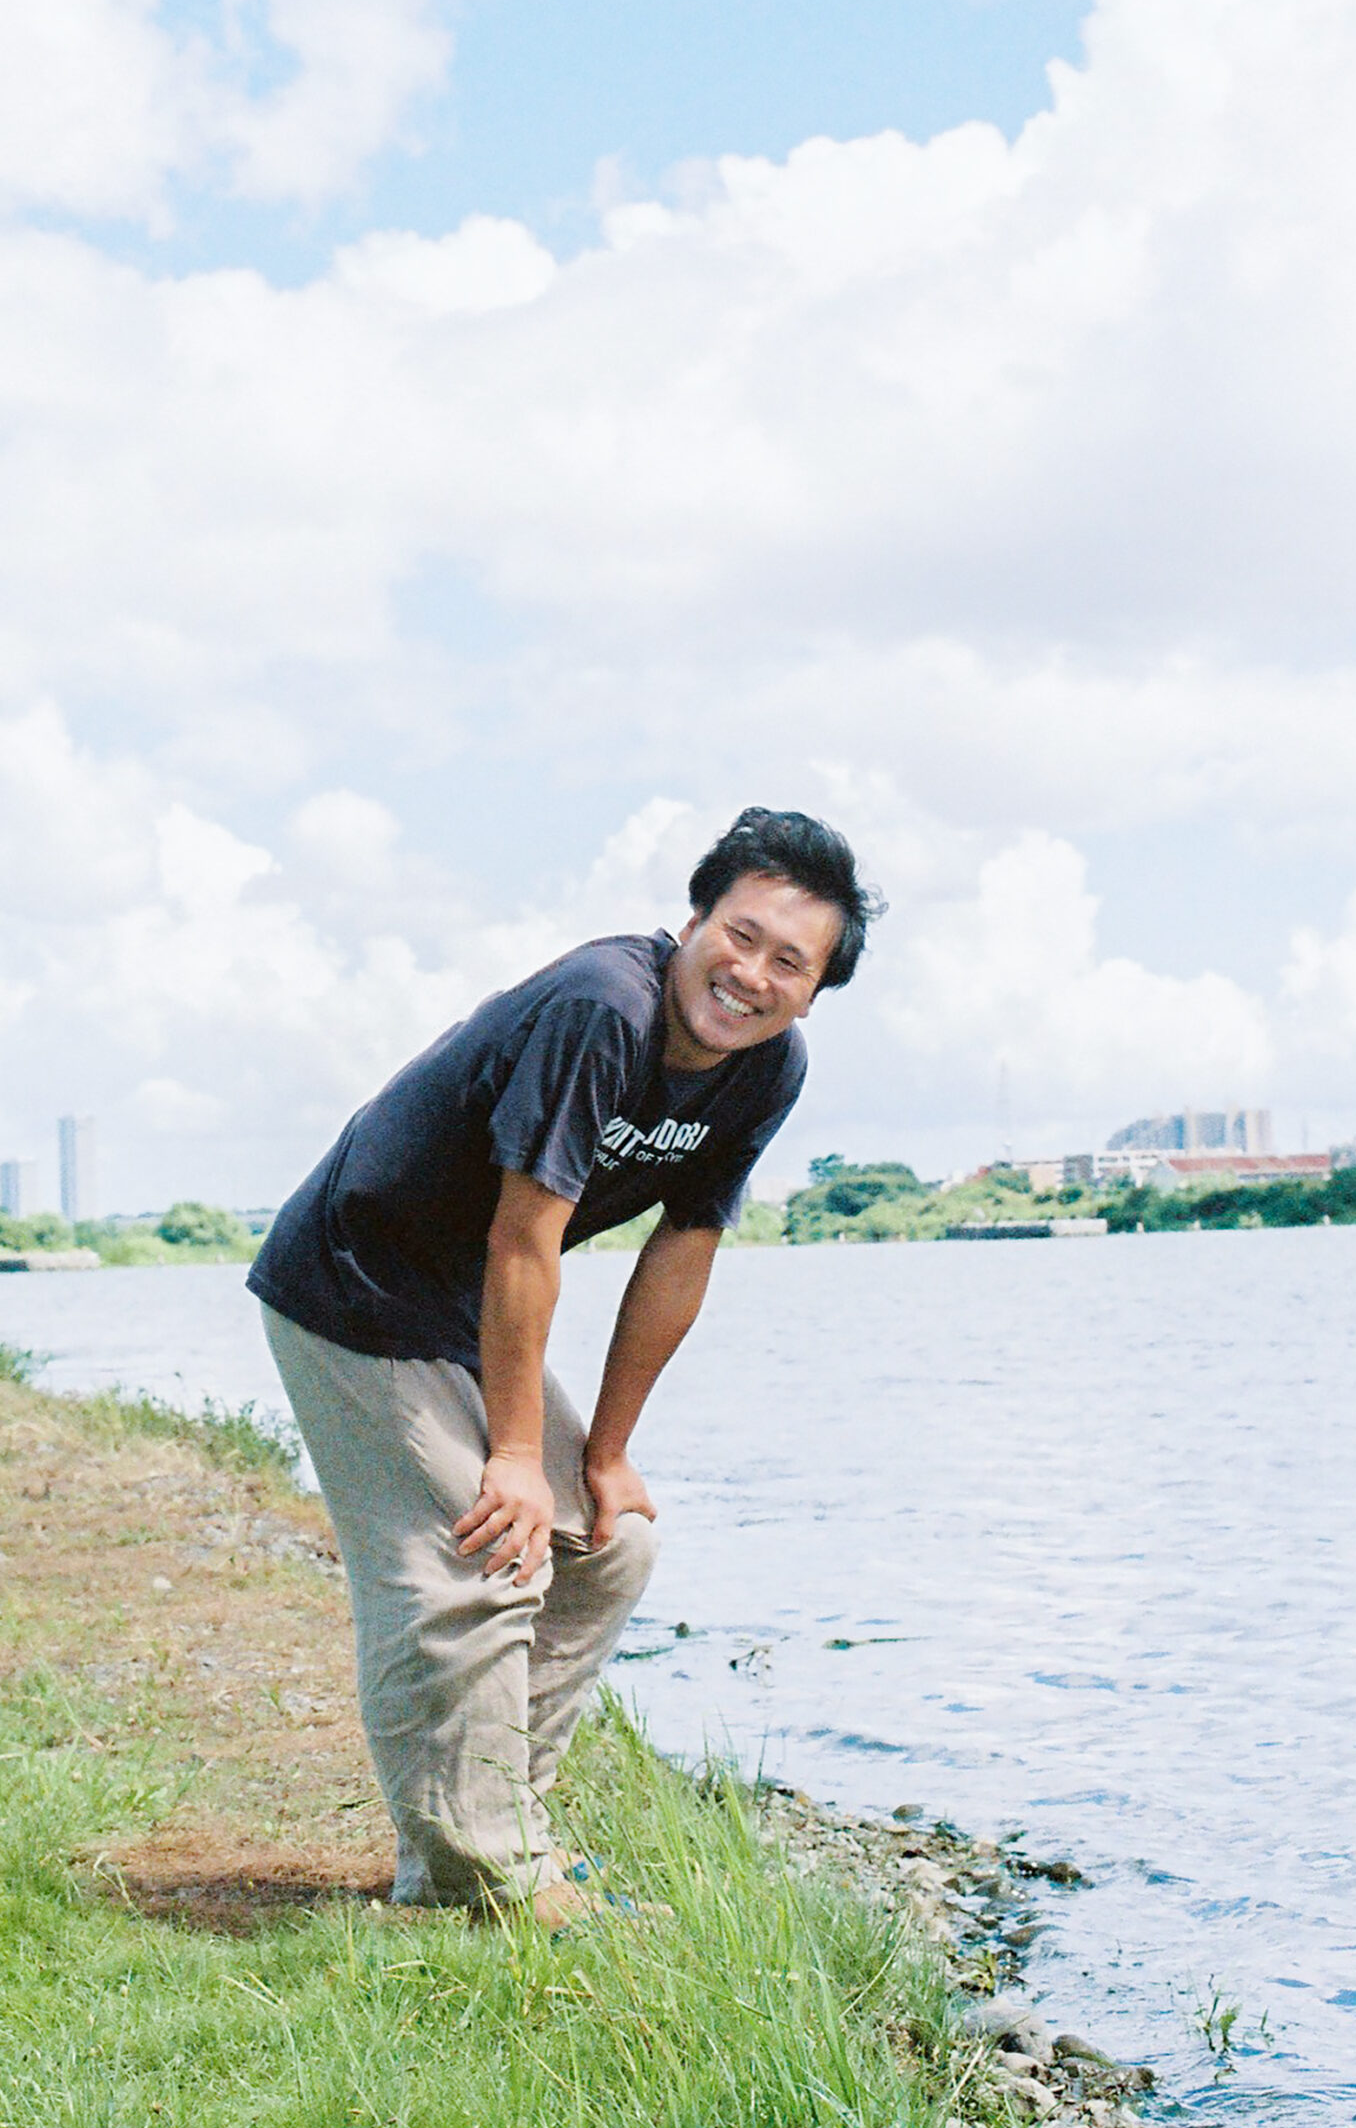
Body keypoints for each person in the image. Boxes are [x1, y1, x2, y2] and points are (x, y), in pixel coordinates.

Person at [248, 804, 881, 1924]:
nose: (749, 975)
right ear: (694, 917)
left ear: (814, 988)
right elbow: (522, 1237)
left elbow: (681, 1252)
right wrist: (512, 1453)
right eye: (739, 934)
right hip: (353, 1277)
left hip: (465, 1303)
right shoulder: (602, 1009)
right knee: (484, 1549)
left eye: (790, 962)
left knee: (609, 1545)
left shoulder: (763, 1072)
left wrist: (609, 1454)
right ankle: (465, 1880)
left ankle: (506, 1831)